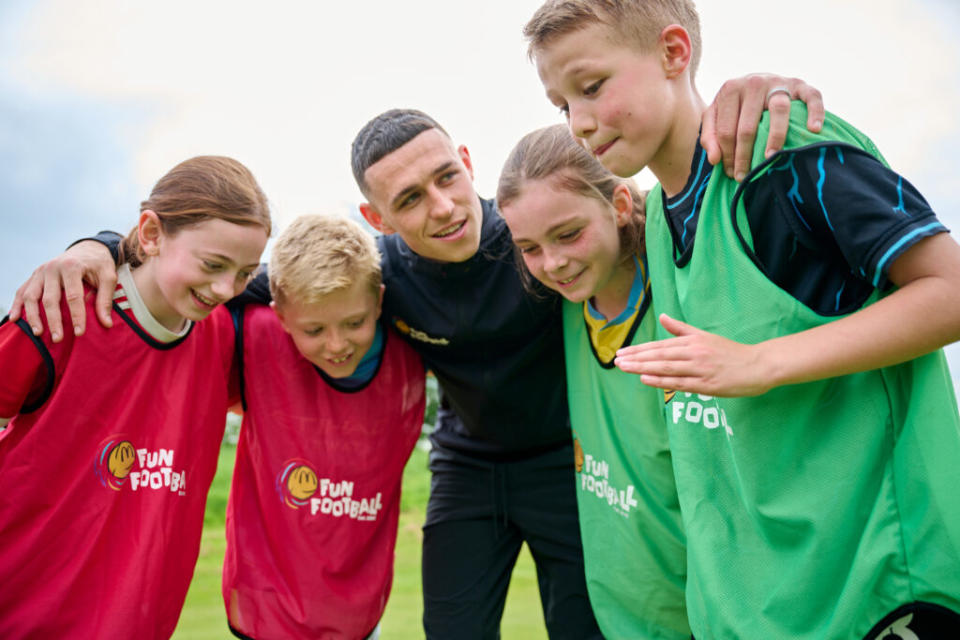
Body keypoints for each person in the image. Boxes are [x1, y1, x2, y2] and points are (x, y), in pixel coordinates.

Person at [10, 80, 826, 638]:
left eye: (444, 179)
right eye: (406, 201)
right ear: (377, 217)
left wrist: (749, 96)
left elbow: (641, 214)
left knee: (590, 627)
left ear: (466, 163)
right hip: (466, 466)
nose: (438, 209)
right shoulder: (381, 282)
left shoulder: (537, 242)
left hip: (567, 464)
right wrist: (104, 245)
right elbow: (232, 286)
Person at [525, 1, 960, 638]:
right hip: (755, 610)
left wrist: (761, 363)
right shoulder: (652, 220)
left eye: (592, 87)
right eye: (562, 105)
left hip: (875, 594)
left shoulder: (786, 159)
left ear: (674, 53)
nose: (581, 123)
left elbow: (948, 290)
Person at [0, 156, 271, 639]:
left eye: (245, 273)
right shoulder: (66, 309)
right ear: (150, 233)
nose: (226, 289)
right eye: (213, 265)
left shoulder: (225, 340)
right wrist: (97, 244)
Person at [497, 124, 688, 639]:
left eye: (568, 234)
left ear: (620, 204)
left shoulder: (683, 289)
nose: (552, 263)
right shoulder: (562, 307)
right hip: (616, 617)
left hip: (708, 615)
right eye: (530, 247)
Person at [223, 214, 425, 640]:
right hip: (265, 609)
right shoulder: (248, 335)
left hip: (359, 612)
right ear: (280, 316)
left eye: (354, 323)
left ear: (379, 302)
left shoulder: (413, 350)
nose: (336, 345)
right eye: (313, 330)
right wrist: (102, 245)